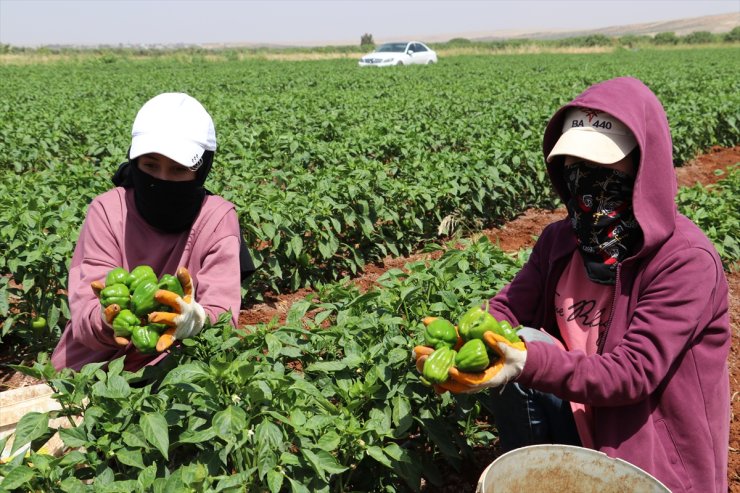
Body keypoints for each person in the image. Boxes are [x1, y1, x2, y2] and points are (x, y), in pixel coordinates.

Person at [415, 77, 730, 493]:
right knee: (516, 341)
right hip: (583, 417)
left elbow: (633, 374)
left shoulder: (684, 260)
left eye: (603, 167)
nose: (587, 181)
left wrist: (525, 361)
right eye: (575, 166)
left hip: (648, 456)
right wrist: (460, 343)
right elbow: (509, 309)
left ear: (642, 164)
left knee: (524, 354)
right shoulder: (561, 241)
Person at [52, 92, 252, 372]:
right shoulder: (109, 210)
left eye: (179, 169)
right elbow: (85, 313)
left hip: (174, 371)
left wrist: (196, 319)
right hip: (92, 368)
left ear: (202, 169)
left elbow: (223, 316)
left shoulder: (216, 219)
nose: (161, 180)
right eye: (150, 165)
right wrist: (106, 318)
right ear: (135, 162)